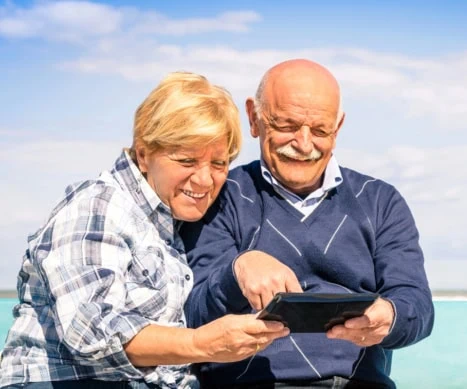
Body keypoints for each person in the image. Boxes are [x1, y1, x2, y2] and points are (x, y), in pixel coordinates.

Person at [0, 72, 289, 389]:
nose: (205, 180)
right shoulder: (98, 206)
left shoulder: (168, 221)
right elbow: (92, 331)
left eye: (219, 164)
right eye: (186, 160)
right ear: (143, 153)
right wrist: (201, 343)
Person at [181, 59, 435, 389]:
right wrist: (237, 271)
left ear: (338, 127)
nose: (303, 145)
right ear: (254, 118)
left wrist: (390, 316)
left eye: (319, 130)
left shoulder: (380, 201)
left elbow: (417, 307)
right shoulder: (218, 196)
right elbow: (190, 318)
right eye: (286, 126)